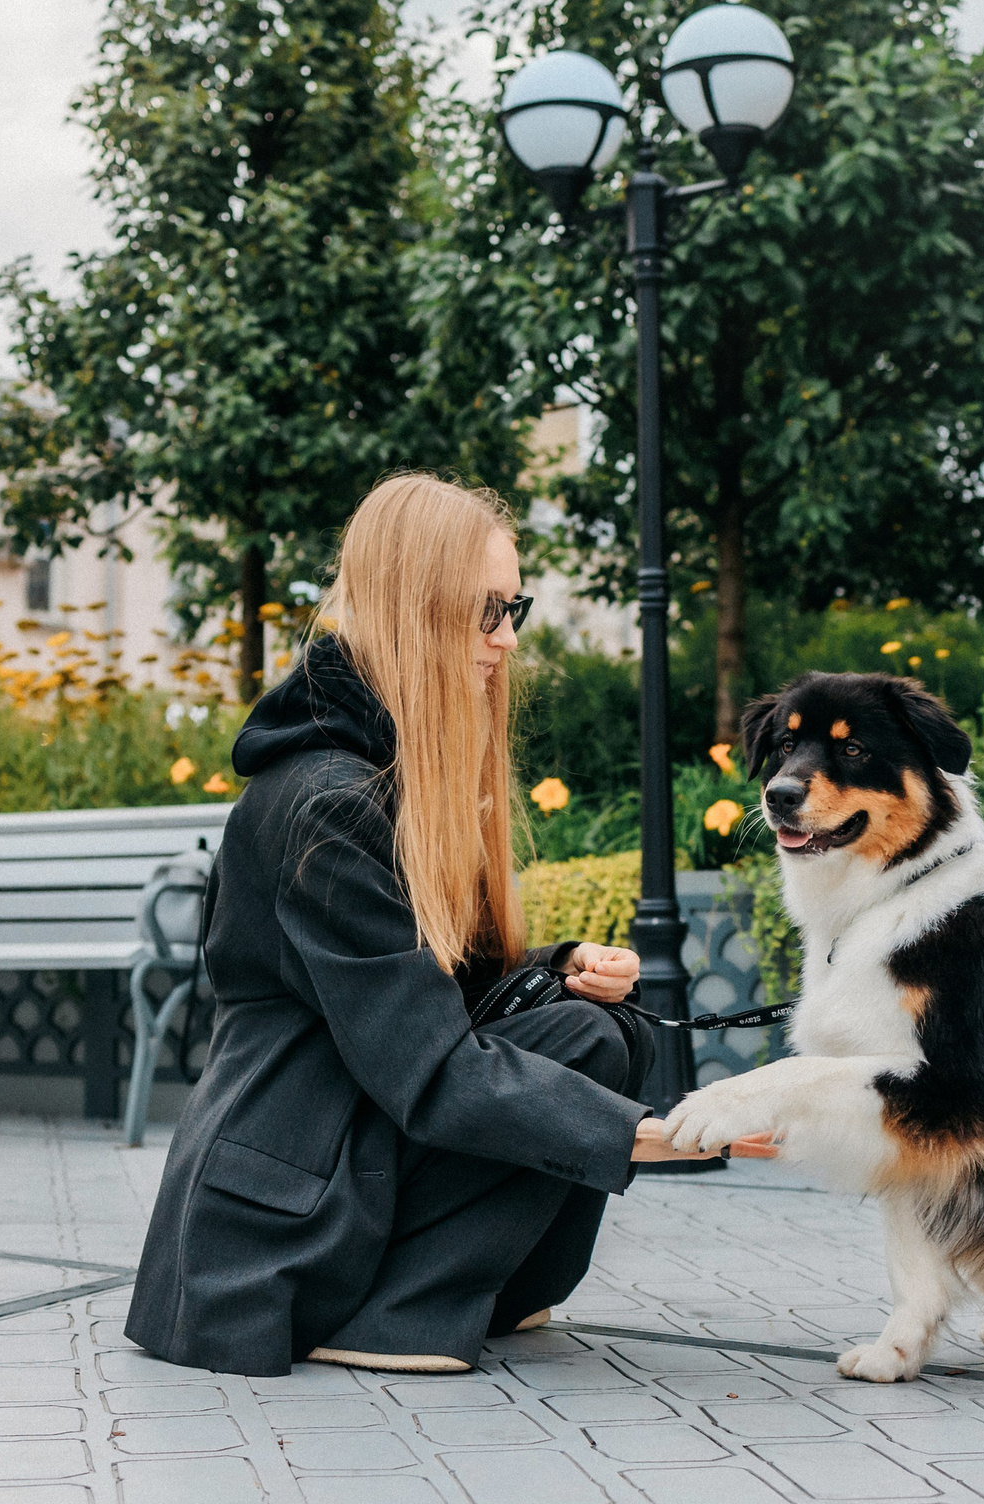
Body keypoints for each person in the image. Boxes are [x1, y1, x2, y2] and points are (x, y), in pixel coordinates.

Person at [126, 472, 704, 1378]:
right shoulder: (326, 804)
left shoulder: (392, 774)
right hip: (270, 1227)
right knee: (584, 1051)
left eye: (514, 607)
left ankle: (465, 1294)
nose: (508, 638)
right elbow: (431, 1070)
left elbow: (423, 990)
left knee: (597, 1028)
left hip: (337, 1147)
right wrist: (641, 1132)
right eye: (487, 611)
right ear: (416, 608)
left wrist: (556, 966)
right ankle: (394, 1313)